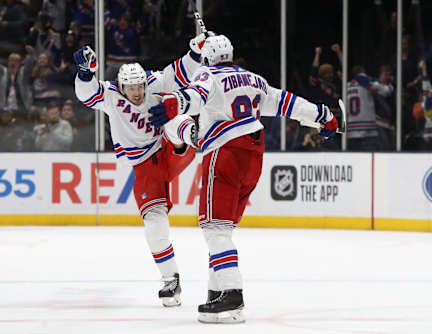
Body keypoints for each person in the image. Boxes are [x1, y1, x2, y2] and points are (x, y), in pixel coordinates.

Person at [147, 34, 338, 323]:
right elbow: (285, 102)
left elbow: (194, 97)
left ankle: (232, 295)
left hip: (224, 152)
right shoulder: (254, 79)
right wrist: (322, 115)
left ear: (208, 57)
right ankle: (216, 292)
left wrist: (174, 103)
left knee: (214, 228)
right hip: (254, 154)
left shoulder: (207, 74)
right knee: (223, 230)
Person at [73, 32, 208, 307]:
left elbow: (180, 71)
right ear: (121, 86)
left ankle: (192, 133)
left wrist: (195, 51)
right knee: (154, 226)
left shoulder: (154, 84)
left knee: (169, 109)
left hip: (172, 149)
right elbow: (86, 94)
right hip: (147, 168)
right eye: (130, 88)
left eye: (139, 86)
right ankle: (171, 281)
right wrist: (85, 74)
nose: (136, 92)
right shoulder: (111, 96)